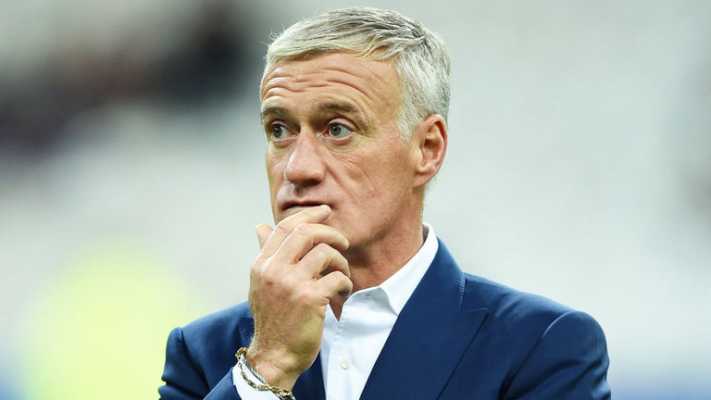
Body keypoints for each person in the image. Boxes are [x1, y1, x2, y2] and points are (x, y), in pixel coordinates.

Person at [159, 7, 611, 400]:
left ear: (427, 149)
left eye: (337, 129)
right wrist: (267, 368)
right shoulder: (205, 353)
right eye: (279, 130)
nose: (297, 168)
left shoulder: (541, 347)